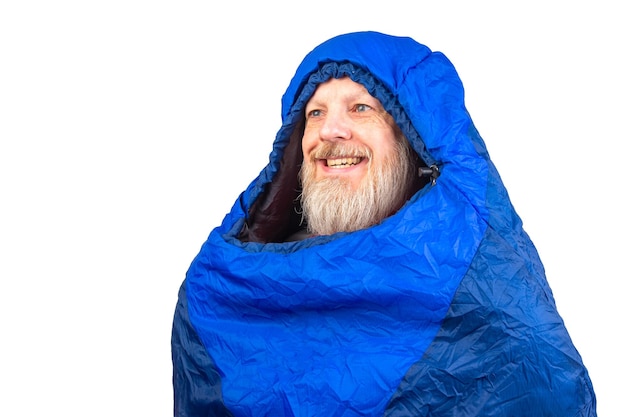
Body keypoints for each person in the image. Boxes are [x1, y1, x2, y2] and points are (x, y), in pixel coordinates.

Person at [171, 31, 596, 416]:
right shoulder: (229, 286)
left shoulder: (470, 277)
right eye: (314, 114)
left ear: (411, 140)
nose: (331, 130)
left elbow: (540, 385)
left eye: (360, 108)